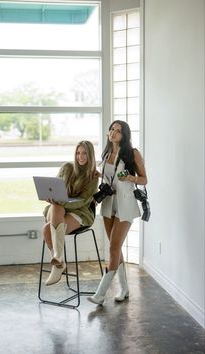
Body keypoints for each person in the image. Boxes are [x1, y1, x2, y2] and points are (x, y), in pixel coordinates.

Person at [88, 120, 147, 305]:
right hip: (108, 204)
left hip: (125, 205)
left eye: (118, 131)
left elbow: (144, 179)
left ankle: (100, 293)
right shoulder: (106, 153)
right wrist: (100, 175)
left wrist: (130, 177)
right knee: (116, 247)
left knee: (114, 247)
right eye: (112, 129)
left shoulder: (132, 153)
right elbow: (109, 178)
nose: (113, 133)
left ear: (124, 135)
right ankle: (124, 288)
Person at [43, 140, 99, 286]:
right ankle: (59, 258)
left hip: (81, 211)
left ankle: (58, 264)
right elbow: (54, 187)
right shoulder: (67, 168)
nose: (80, 157)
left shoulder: (93, 176)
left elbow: (84, 200)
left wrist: (60, 202)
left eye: (84, 153)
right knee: (56, 207)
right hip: (59, 208)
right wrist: (51, 197)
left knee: (46, 229)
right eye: (78, 153)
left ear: (90, 155)